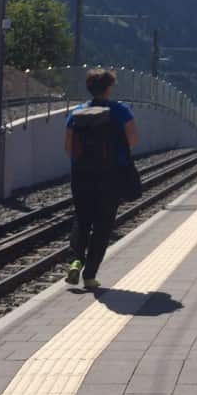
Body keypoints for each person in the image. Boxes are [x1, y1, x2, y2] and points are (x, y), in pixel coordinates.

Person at [64, 68, 138, 291]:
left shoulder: (76, 113)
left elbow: (68, 148)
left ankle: (76, 260)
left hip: (81, 175)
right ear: (108, 88)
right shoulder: (121, 111)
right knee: (103, 225)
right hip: (111, 175)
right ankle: (90, 275)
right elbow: (132, 140)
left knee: (82, 219)